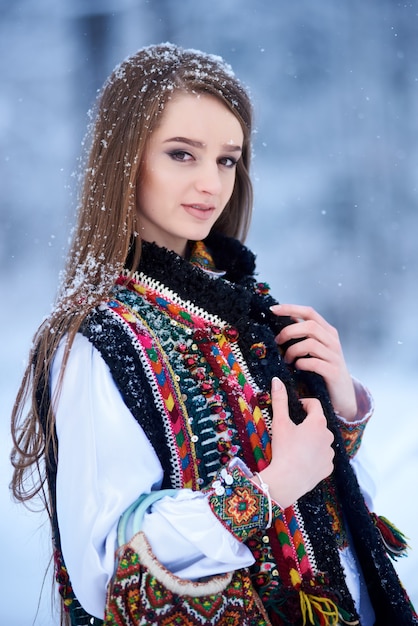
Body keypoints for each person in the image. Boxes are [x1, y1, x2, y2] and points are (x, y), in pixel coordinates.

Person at [10, 43, 417, 626]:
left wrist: (340, 406)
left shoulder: (246, 309)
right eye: (182, 154)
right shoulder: (97, 336)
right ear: (125, 160)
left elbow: (334, 516)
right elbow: (108, 562)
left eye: (228, 159)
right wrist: (270, 488)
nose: (211, 182)